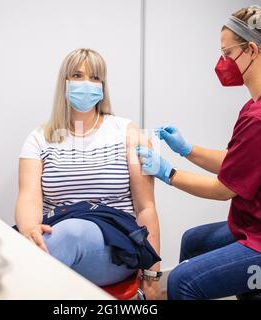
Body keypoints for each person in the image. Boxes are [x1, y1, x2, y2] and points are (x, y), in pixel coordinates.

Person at [136, 6, 261, 300]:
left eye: (227, 53)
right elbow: (239, 163)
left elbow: (224, 189)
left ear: (250, 50)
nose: (222, 63)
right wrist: (187, 150)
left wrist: (168, 173)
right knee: (193, 240)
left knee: (182, 280)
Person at [15, 48, 162, 299]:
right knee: (38, 241)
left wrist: (151, 278)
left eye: (95, 77)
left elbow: (146, 207)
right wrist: (30, 230)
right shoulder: (39, 138)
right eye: (77, 75)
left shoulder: (127, 132)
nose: (87, 83)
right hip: (56, 239)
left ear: (103, 86)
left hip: (115, 248)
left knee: (72, 233)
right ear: (64, 82)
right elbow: (29, 197)